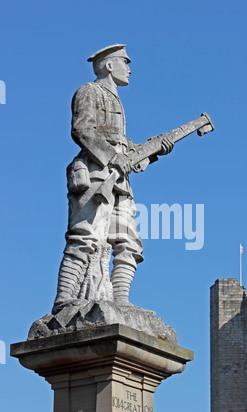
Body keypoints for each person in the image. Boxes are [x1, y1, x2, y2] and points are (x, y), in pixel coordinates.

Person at [53, 44, 173, 313]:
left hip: (120, 181)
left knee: (128, 242)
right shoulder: (89, 91)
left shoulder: (116, 99)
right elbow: (82, 130)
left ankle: (120, 303)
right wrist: (112, 156)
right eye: (125, 62)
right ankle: (64, 299)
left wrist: (152, 153)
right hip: (96, 175)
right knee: (84, 237)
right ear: (109, 65)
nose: (129, 69)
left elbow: (125, 152)